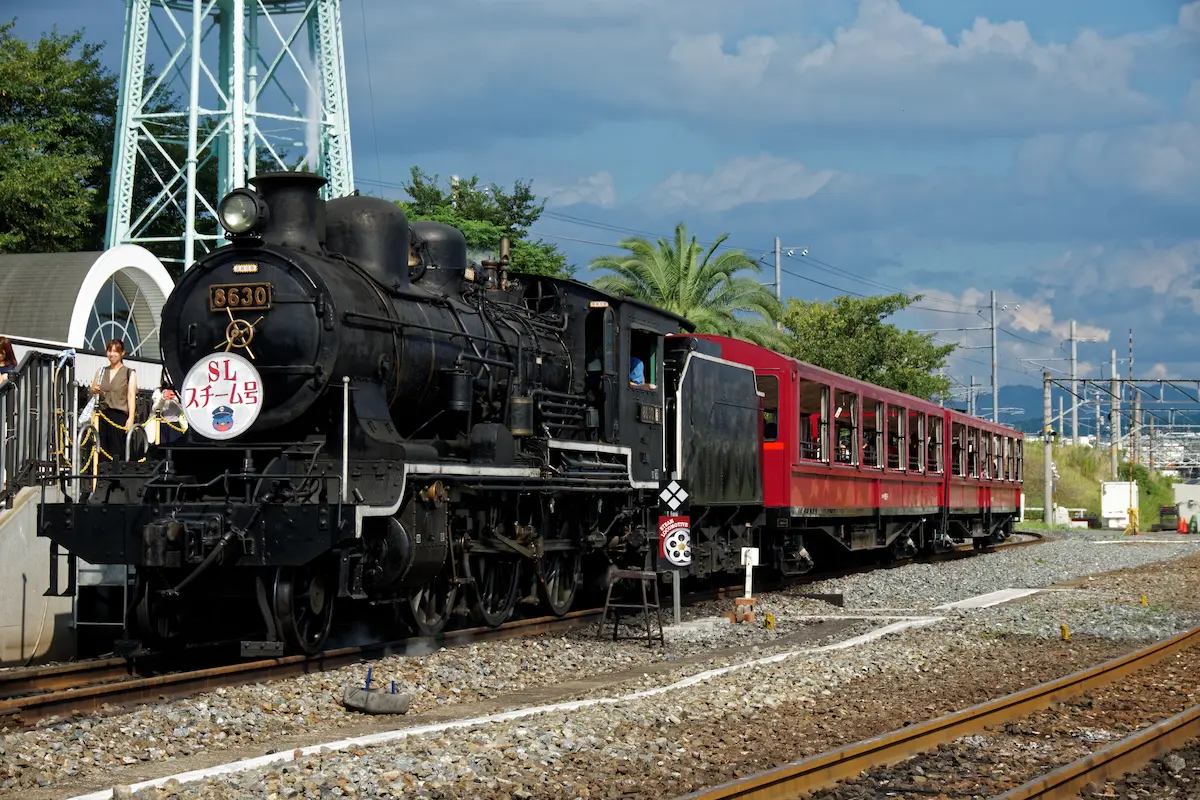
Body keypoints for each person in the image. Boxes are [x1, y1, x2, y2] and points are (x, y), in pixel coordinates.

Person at [91, 340, 137, 463]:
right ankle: (101, 479)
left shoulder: (129, 372)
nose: (112, 354)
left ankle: (116, 479)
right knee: (101, 450)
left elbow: (131, 395)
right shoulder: (101, 371)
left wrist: (131, 417)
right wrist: (95, 389)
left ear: (122, 353)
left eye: (116, 351)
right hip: (102, 415)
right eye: (110, 351)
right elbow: (93, 388)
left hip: (119, 415)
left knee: (118, 450)